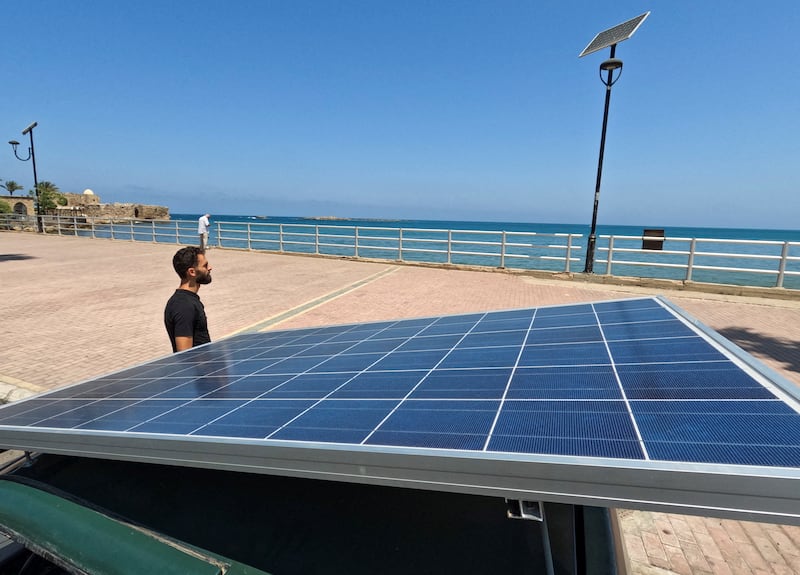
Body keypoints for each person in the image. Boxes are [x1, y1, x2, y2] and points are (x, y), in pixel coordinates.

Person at [164, 246, 213, 352]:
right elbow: (185, 354)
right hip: (197, 369)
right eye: (205, 266)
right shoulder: (184, 306)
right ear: (192, 272)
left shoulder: (188, 301)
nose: (210, 268)